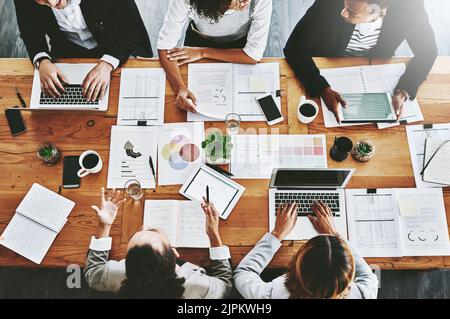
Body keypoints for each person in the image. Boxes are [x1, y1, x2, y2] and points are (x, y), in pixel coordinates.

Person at [284, 0, 438, 123]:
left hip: (376, 69)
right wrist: (322, 88)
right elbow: (294, 48)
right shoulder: (329, 3)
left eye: (351, 12)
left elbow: (428, 52)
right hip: (328, 63)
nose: (343, 13)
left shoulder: (410, 7)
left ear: (377, 12)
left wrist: (404, 90)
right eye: (345, 5)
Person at [84, 188, 233, 299]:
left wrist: (104, 226)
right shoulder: (198, 286)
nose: (146, 226)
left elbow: (92, 273)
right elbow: (225, 284)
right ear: (174, 254)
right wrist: (214, 236)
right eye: (153, 230)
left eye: (141, 231)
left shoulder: (116, 275)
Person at [234, 202, 379, 299]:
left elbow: (243, 273)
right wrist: (335, 234)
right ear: (349, 272)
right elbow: (368, 276)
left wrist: (276, 235)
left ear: (298, 264)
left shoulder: (271, 294)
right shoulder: (363, 294)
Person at [14, 0, 153, 102]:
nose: (51, 2)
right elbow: (29, 31)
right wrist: (42, 61)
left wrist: (107, 63)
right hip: (69, 51)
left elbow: (134, 30)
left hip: (119, 47)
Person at [157, 0, 273, 113]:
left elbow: (253, 55)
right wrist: (180, 88)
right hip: (199, 39)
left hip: (239, 46)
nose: (246, 1)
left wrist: (203, 52)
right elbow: (165, 46)